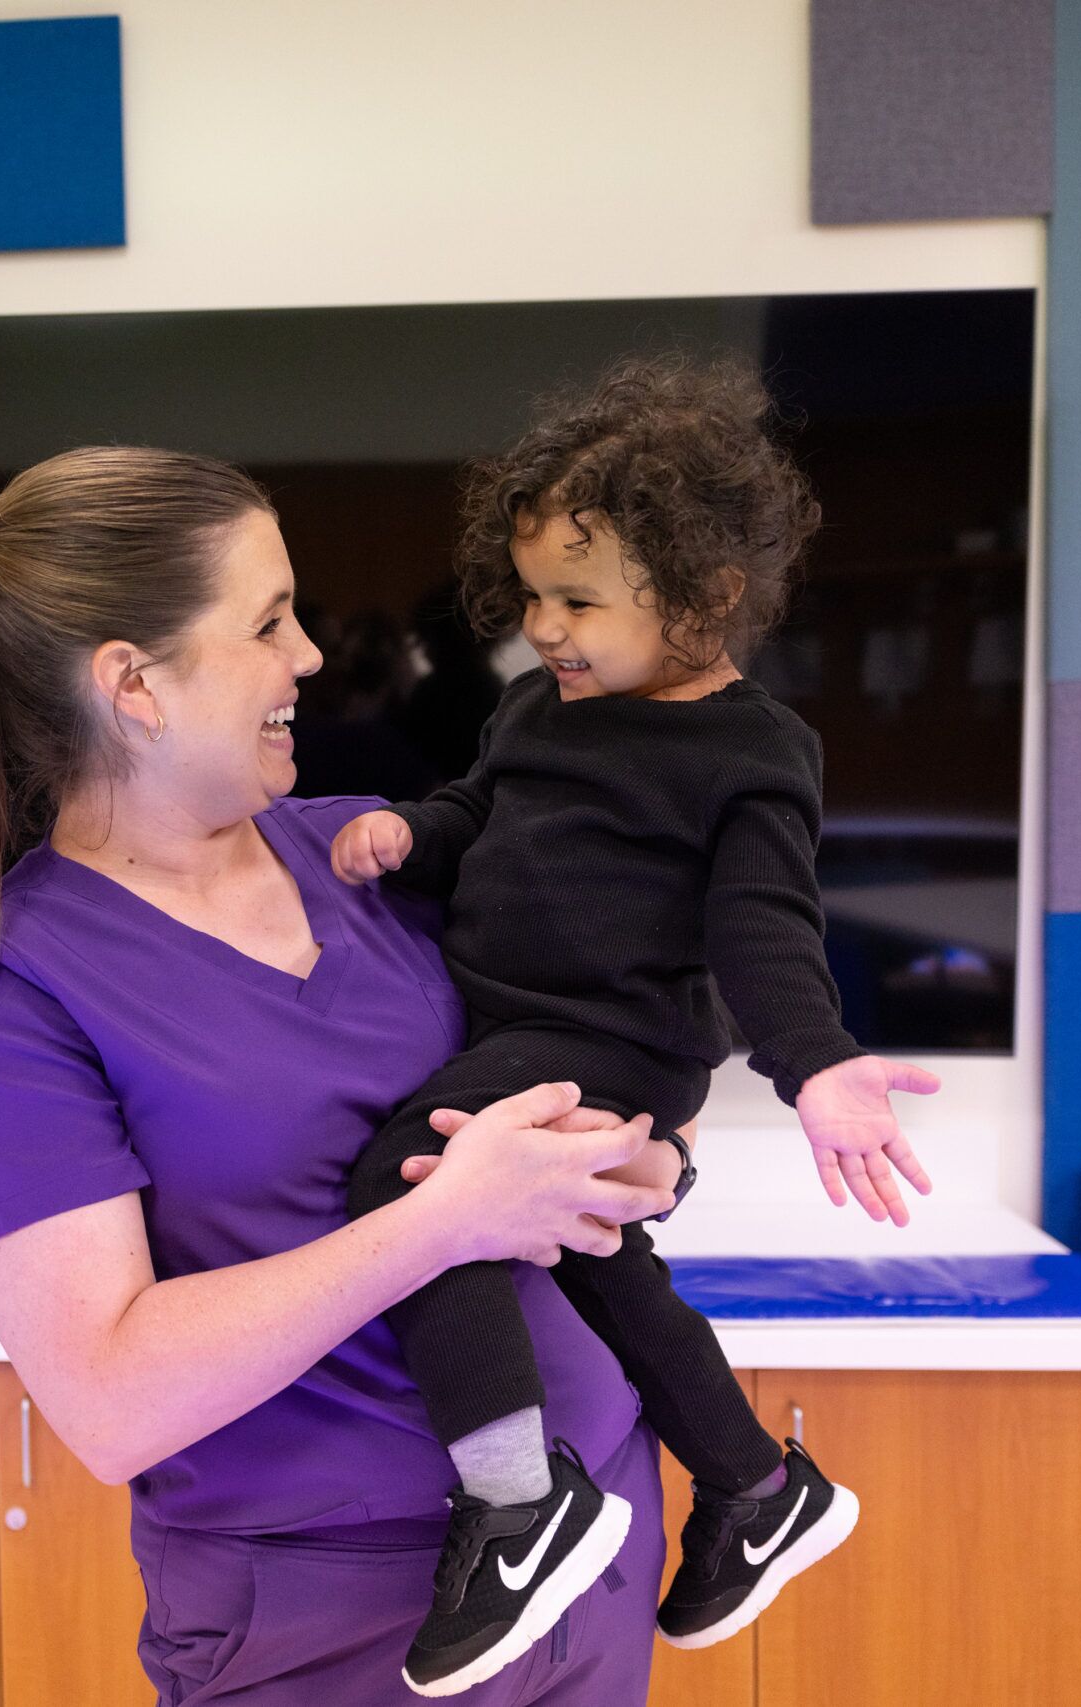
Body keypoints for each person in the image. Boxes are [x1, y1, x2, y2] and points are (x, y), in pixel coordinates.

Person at [0, 446, 679, 1704]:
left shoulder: (364, 853)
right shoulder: (9, 983)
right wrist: (442, 1221)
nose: (307, 657)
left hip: (597, 1537)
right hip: (334, 1620)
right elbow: (110, 1396)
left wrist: (631, 1162)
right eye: (267, 622)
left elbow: (565, 1048)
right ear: (135, 685)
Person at [331, 356, 938, 1686]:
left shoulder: (752, 752)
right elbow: (481, 813)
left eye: (580, 600)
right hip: (525, 1025)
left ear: (709, 597)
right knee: (603, 1262)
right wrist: (409, 830)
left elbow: (765, 929)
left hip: (613, 1037)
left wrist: (820, 1064)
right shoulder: (543, 704)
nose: (545, 626)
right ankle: (754, 1484)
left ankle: (512, 1500)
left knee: (414, 1177)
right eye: (536, 594)